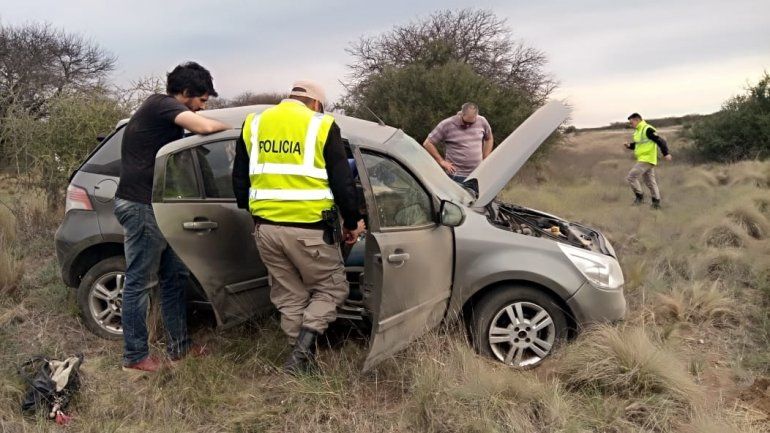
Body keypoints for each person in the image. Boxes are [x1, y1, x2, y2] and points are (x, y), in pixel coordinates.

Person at [231, 80, 365, 374]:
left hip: (265, 229)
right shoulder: (321, 125)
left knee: (289, 295)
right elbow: (343, 182)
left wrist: (254, 215)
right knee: (332, 289)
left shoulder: (254, 123)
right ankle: (302, 353)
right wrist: (353, 221)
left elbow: (240, 178)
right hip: (310, 230)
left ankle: (301, 360)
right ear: (316, 104)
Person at [114, 62, 229, 373]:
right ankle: (135, 357)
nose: (205, 106)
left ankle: (180, 347)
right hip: (140, 206)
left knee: (175, 277)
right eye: (203, 99)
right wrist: (235, 126)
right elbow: (203, 127)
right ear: (187, 92)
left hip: (159, 207)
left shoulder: (166, 117)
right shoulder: (160, 103)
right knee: (139, 282)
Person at [423, 102, 494, 182]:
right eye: (466, 122)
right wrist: (441, 161)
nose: (467, 125)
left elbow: (489, 138)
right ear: (461, 114)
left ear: (476, 116)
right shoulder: (447, 124)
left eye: (471, 123)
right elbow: (427, 143)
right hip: (456, 176)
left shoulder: (482, 121)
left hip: (478, 174)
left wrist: (485, 158)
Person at [624, 113, 672, 209]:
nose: (631, 124)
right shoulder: (638, 131)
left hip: (647, 159)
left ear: (637, 120)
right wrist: (630, 146)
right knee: (650, 181)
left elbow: (661, 141)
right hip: (643, 158)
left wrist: (666, 153)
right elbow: (639, 144)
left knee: (631, 177)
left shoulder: (647, 129)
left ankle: (640, 197)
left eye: (631, 122)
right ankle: (656, 203)